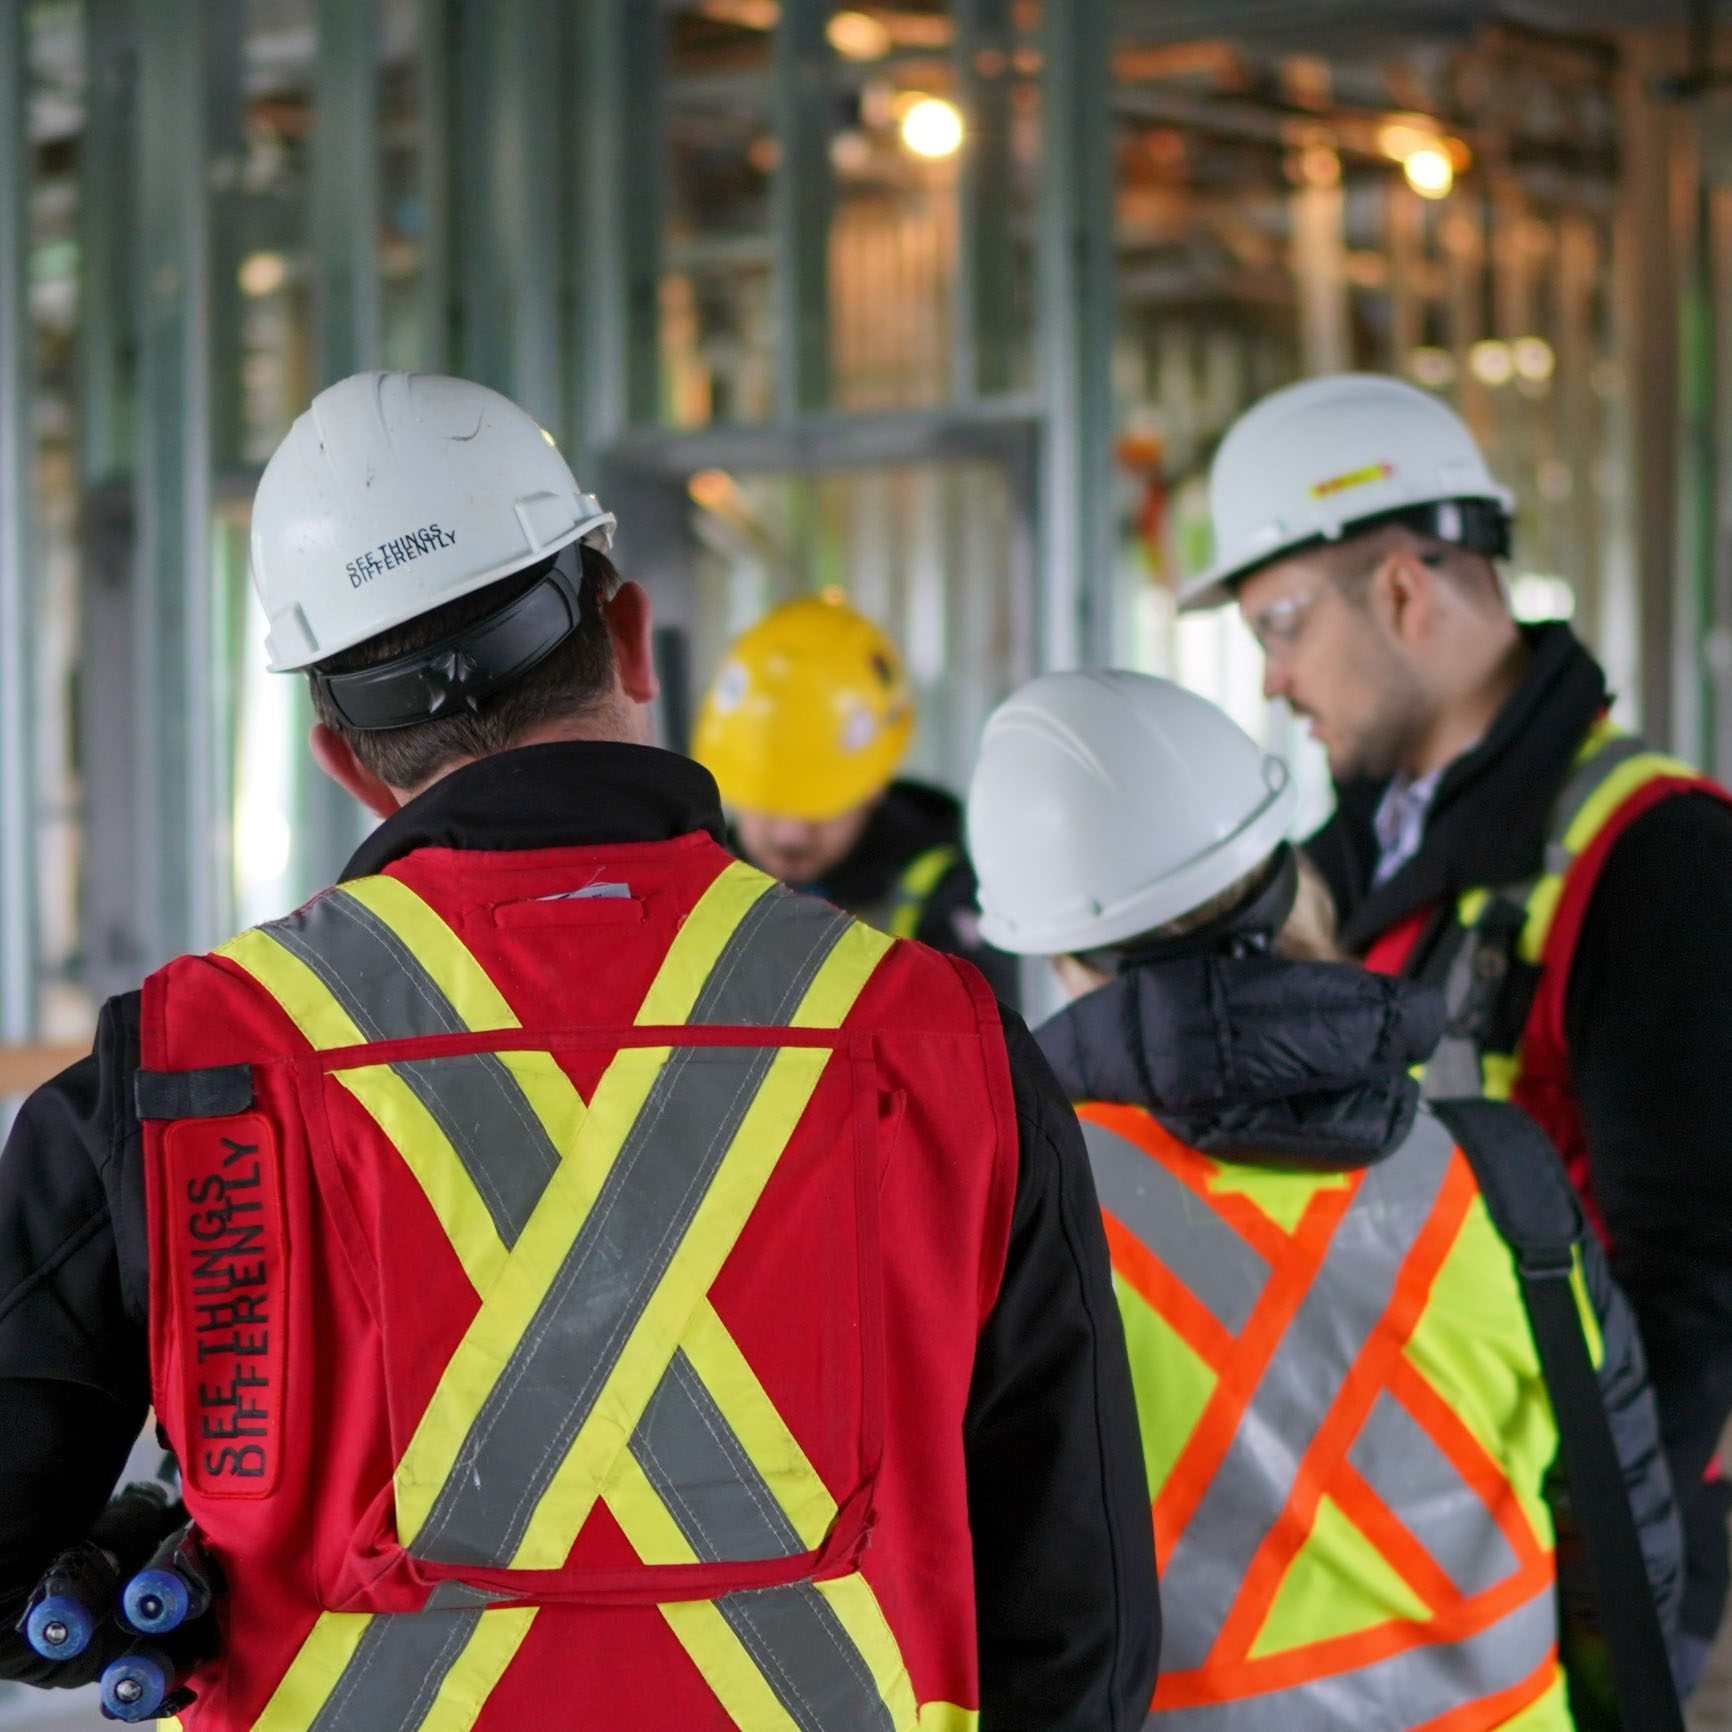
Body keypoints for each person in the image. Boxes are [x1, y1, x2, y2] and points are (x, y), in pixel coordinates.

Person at [0, 372, 1157, 1730]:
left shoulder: (178, 1073)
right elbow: (1081, 1623)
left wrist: (116, 1564)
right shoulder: (944, 1042)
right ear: (631, 630)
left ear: (340, 757)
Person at [965, 666, 1684, 1728]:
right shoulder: (1498, 1174)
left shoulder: (1012, 1217)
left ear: (1054, 951)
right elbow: (1629, 1562)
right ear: (1281, 867)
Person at [1178, 371, 1732, 1692]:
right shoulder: (1348, 857)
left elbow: (1697, 1283)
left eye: (1281, 625)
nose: (1270, 680)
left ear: (1404, 593)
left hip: (1564, 1553)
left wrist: (1600, 1587)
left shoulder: (1660, 860)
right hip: (1405, 1521)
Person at [693, 594, 1019, 1002]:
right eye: (770, 804)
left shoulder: (948, 899)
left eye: (821, 807)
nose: (790, 836)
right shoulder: (691, 887)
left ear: (875, 783)